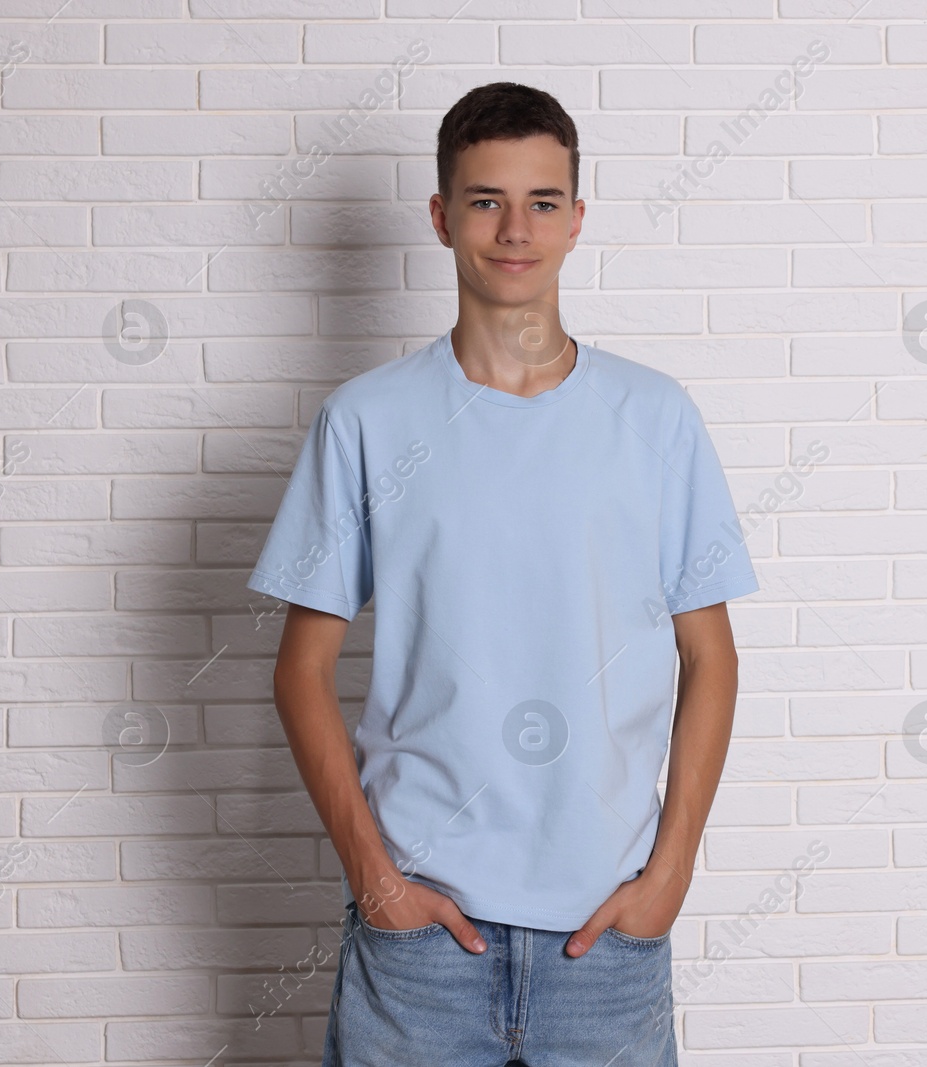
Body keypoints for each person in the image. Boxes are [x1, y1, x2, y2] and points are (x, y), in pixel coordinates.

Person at [246, 81, 759, 1066]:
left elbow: (711, 656)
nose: (514, 228)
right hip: (419, 946)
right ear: (441, 218)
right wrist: (375, 877)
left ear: (576, 218)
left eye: (542, 201)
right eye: (485, 200)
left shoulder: (655, 419)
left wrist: (673, 871)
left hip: (607, 939)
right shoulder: (365, 421)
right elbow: (298, 670)